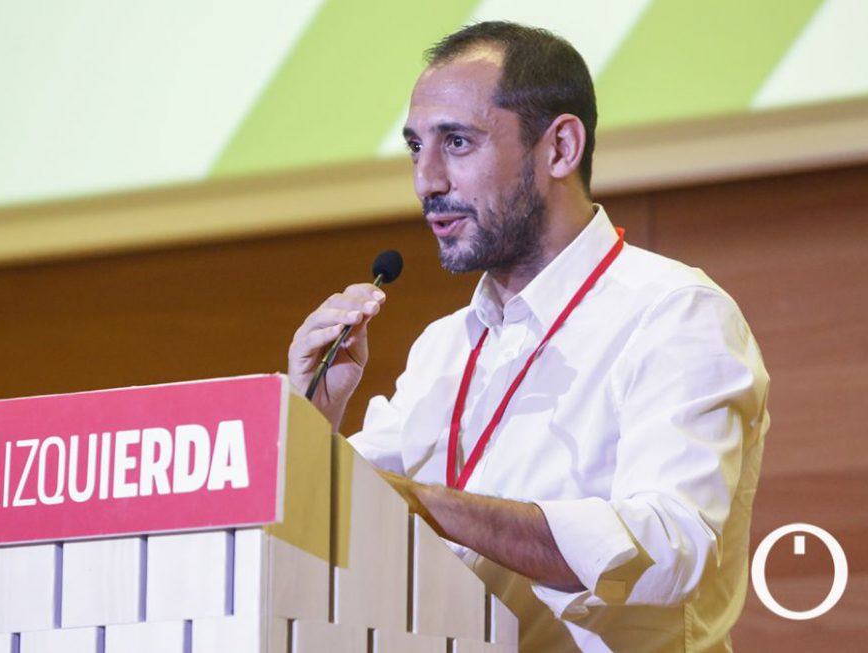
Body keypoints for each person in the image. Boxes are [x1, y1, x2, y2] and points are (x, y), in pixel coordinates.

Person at [287, 21, 770, 652]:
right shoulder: (443, 347)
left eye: (457, 142)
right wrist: (313, 421)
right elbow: (344, 514)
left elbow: (671, 549)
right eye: (415, 147)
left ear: (560, 148)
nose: (427, 180)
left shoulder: (674, 314)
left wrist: (428, 505)